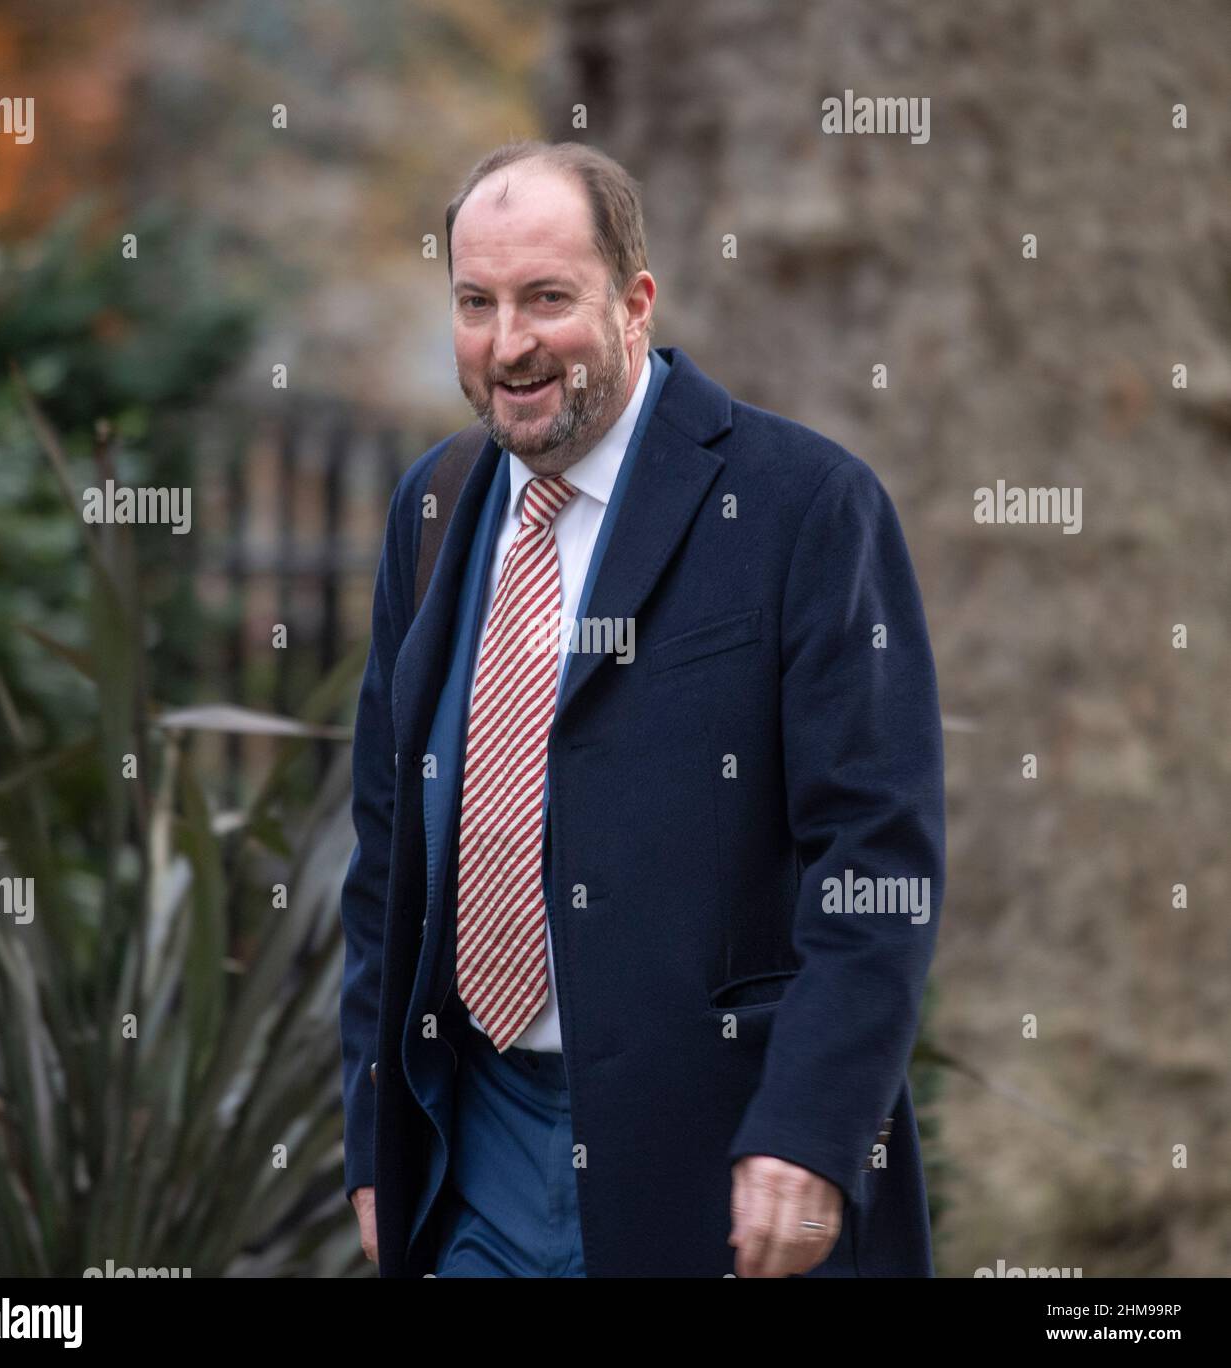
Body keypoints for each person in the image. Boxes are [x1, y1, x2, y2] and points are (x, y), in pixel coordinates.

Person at [340, 139, 946, 1277]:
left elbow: (876, 855)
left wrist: (810, 1129)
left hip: (719, 1162)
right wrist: (376, 1139)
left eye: (546, 299)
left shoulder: (801, 505)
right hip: (478, 1151)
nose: (508, 343)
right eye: (476, 302)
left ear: (635, 302)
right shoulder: (430, 507)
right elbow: (385, 858)